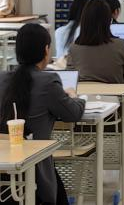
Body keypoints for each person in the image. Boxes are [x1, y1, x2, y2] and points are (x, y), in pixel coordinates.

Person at [0, 24, 85, 205]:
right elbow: (73, 113)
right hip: (36, 171)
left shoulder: (2, 79)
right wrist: (75, 96)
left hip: (5, 172)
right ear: (46, 50)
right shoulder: (48, 81)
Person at [67, 0, 124, 84]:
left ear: (84, 21)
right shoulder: (120, 45)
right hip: (115, 92)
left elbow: (70, 81)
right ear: (108, 21)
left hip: (84, 92)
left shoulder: (73, 49)